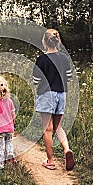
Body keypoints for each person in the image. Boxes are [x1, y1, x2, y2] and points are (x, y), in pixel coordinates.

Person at [32, 29, 75, 171]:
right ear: (58, 41)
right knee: (58, 127)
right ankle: (67, 150)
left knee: (47, 129)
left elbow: (36, 80)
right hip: (61, 94)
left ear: (44, 41)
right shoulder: (64, 58)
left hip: (46, 95)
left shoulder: (42, 59)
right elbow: (69, 77)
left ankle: (50, 161)